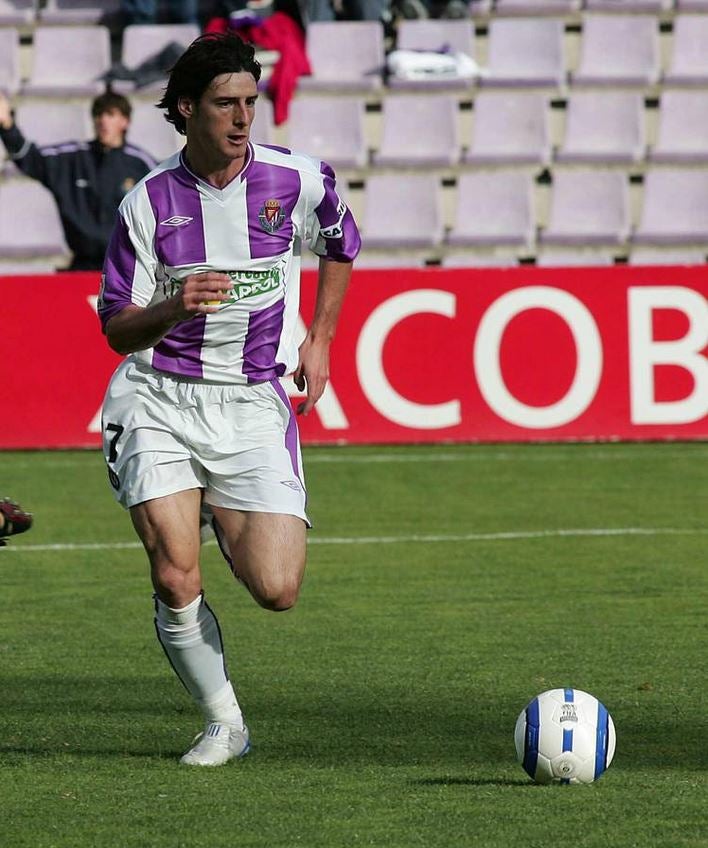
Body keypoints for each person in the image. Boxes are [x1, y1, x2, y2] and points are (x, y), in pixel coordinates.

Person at [97, 32, 361, 767]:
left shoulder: (297, 179)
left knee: (278, 589)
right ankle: (224, 722)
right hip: (160, 396)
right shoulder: (147, 204)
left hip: (250, 401)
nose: (243, 117)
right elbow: (118, 327)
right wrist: (174, 307)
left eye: (250, 101)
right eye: (226, 104)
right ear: (188, 109)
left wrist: (323, 337)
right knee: (176, 570)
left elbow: (342, 240)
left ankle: (209, 503)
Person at [0, 92, 156, 270]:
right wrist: (7, 126)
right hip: (82, 266)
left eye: (111, 114)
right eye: (98, 115)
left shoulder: (141, 165)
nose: (103, 121)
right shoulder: (72, 158)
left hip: (127, 269)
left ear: (125, 122)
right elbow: (30, 158)